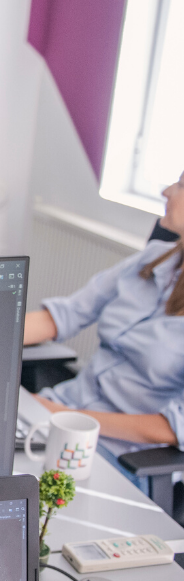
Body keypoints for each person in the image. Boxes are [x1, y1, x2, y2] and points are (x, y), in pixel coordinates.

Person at [23, 168, 184, 487]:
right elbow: (63, 316)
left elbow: (173, 427)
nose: (167, 191)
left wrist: (62, 417)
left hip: (121, 453)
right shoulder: (151, 260)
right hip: (59, 410)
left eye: (181, 185)